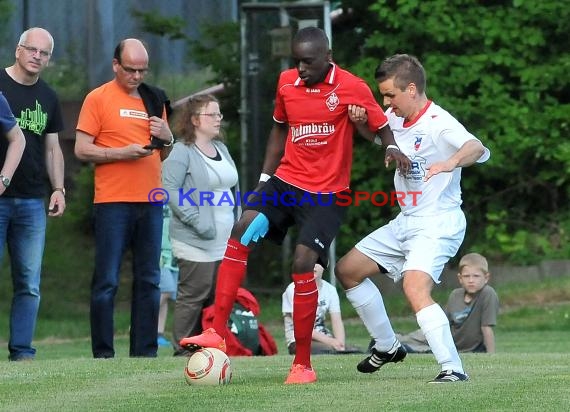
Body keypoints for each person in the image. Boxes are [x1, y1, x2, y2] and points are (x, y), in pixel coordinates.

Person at [181, 27, 410, 384]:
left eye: (308, 61)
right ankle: (216, 331)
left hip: (328, 194)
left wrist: (392, 147)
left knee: (303, 264)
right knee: (242, 228)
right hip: (285, 182)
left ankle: (302, 364)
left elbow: (381, 129)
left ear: (327, 56)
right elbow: (278, 130)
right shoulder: (287, 83)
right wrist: (262, 181)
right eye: (296, 60)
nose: (300, 67)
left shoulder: (351, 86)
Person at [336, 53, 490, 383]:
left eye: (390, 94)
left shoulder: (438, 123)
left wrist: (451, 162)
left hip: (438, 221)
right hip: (407, 221)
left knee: (414, 286)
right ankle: (388, 345)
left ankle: (453, 369)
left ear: (411, 89)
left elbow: (475, 147)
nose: (385, 101)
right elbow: (377, 136)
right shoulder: (394, 117)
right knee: (348, 271)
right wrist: (360, 120)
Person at [75, 38, 174, 358]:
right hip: (112, 202)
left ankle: (144, 352)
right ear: (115, 65)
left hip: (150, 200)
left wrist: (167, 136)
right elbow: (81, 149)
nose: (136, 76)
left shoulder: (154, 97)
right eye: (130, 69)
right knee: (107, 280)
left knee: (149, 279)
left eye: (142, 70)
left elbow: (164, 153)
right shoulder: (98, 98)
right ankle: (103, 353)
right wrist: (122, 153)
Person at [0, 27, 64, 361]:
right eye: (32, 49)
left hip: (31, 201)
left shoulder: (49, 97)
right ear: (17, 50)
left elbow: (53, 149)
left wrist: (58, 189)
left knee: (29, 282)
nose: (37, 56)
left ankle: (22, 352)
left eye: (44, 52)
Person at [162, 94, 240, 357]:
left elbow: (232, 188)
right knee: (194, 295)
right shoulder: (182, 151)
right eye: (212, 114)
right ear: (195, 120)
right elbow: (169, 191)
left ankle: (212, 348)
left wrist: (238, 223)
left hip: (225, 240)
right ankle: (183, 349)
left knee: (219, 297)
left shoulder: (223, 149)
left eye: (219, 114)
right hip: (194, 239)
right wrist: (196, 221)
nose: (218, 119)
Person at [396, 252, 499, 354]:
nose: (471, 280)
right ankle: (392, 339)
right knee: (414, 337)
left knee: (417, 349)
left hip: (457, 348)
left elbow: (486, 327)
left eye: (476, 276)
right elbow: (445, 323)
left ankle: (402, 346)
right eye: (467, 276)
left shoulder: (488, 294)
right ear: (460, 278)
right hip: (445, 336)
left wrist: (491, 355)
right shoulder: (455, 295)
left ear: (486, 278)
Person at [282, 264, 362, 355]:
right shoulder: (293, 289)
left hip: (325, 339)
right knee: (331, 351)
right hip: (299, 342)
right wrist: (331, 342)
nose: (313, 265)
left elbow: (337, 321)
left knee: (354, 351)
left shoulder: (330, 290)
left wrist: (340, 343)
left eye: (318, 261)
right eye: (310, 261)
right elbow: (302, 328)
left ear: (325, 265)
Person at [157, 204, 179, 348]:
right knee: (166, 290)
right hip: (160, 252)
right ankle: (141, 322)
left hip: (175, 253)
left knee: (166, 296)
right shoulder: (156, 195)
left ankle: (158, 333)